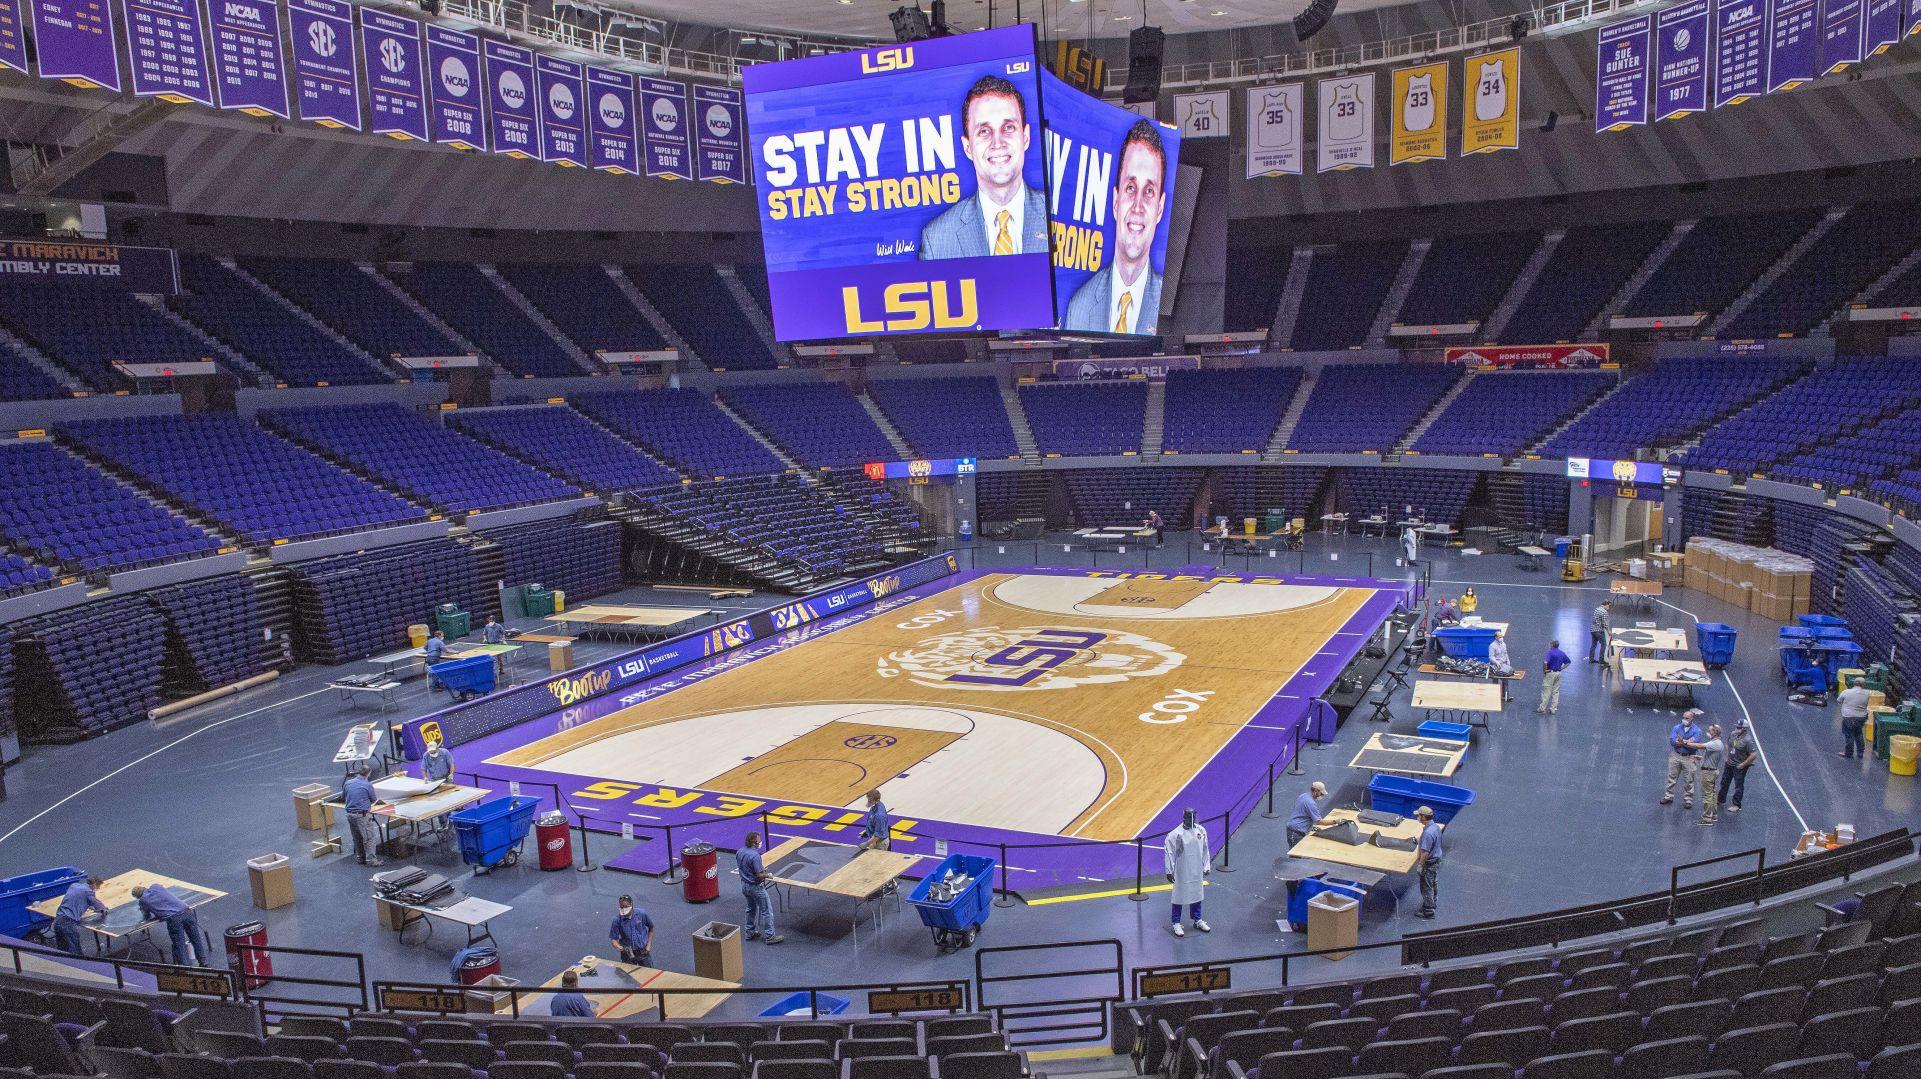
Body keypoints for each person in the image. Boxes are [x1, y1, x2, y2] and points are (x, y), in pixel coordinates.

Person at [919, 76, 1047, 260]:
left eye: (1008, 127)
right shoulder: (936, 240)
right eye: (984, 131)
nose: (998, 142)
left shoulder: (1059, 216)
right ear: (967, 147)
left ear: (1025, 137)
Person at [1064, 121, 1168, 335]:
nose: (1138, 207)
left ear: (1160, 208)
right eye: (1130, 187)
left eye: (1149, 191)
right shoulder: (1080, 306)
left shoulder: (1170, 306)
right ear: (1115, 201)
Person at [133, 882, 207, 967]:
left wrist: (143, 918)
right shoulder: (156, 886)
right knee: (195, 938)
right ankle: (203, 961)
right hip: (187, 911)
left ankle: (184, 966)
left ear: (138, 897)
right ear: (144, 887)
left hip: (174, 919)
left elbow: (147, 915)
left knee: (179, 944)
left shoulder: (143, 900)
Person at [1163, 808, 1210, 937]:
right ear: (1185, 818)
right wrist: (1169, 870)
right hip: (1182, 870)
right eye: (1190, 817)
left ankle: (1197, 920)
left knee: (1197, 893)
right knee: (1179, 895)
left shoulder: (1201, 830)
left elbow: (1205, 849)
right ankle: (1176, 923)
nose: (1193, 819)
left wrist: (1206, 866)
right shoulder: (1176, 834)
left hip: (1196, 870)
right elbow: (1169, 851)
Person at [737, 831, 781, 944]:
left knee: (750, 909)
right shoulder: (755, 856)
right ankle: (770, 936)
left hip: (744, 886)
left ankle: (749, 932)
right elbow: (759, 875)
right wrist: (768, 875)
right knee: (767, 911)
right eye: (759, 840)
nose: (760, 842)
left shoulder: (740, 851)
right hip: (756, 887)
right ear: (755, 842)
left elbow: (743, 867)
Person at [1661, 709, 1707, 809]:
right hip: (1676, 756)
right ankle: (1669, 796)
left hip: (1689, 757)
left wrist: (1682, 742)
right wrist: (1686, 742)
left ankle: (1688, 799)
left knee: (1689, 780)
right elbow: (1672, 741)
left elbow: (1693, 746)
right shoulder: (1676, 727)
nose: (1684, 720)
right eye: (1683, 718)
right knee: (1671, 777)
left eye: (1687, 718)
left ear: (1692, 719)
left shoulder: (1697, 731)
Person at [52, 876, 106, 957]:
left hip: (58, 920)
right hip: (68, 922)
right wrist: (104, 909)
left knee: (62, 949)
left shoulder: (74, 886)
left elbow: (76, 899)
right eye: (97, 888)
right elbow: (97, 904)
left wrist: (86, 905)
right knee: (75, 950)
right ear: (94, 885)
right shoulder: (88, 892)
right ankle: (79, 967)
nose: (96, 890)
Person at [344, 764, 383, 866]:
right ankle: (372, 861)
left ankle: (360, 858)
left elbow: (344, 796)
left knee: (357, 837)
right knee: (369, 838)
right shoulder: (367, 785)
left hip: (349, 815)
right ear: (368, 774)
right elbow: (374, 799)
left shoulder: (348, 783)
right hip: (361, 815)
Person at [1720, 718, 1757, 812]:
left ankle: (1736, 805)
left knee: (1738, 785)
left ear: (1744, 729)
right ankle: (1721, 799)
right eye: (1737, 726)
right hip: (1729, 763)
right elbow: (1728, 744)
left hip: (1739, 766)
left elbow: (1754, 754)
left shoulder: (1748, 740)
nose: (1737, 728)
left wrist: (1743, 764)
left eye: (1739, 727)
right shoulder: (1733, 734)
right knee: (1724, 782)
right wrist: (1727, 755)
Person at [1414, 806, 1444, 919]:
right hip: (1436, 861)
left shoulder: (1428, 833)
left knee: (1426, 887)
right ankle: (1433, 902)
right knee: (1433, 883)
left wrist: (1421, 865)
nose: (1417, 817)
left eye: (1419, 815)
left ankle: (1428, 911)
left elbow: (1425, 852)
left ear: (1423, 817)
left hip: (1429, 863)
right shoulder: (1435, 827)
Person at [608, 895, 653, 965]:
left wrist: (649, 944)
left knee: (649, 974)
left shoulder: (641, 914)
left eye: (626, 907)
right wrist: (617, 946)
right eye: (621, 907)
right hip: (627, 954)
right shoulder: (617, 920)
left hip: (643, 952)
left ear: (631, 905)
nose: (623, 909)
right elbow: (613, 939)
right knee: (628, 975)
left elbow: (651, 928)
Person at [1285, 782, 1329, 849]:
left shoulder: (1303, 795)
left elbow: (1302, 813)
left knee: (1297, 854)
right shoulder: (1310, 803)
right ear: (1316, 790)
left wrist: (1311, 827)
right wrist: (1336, 821)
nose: (1321, 795)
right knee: (1295, 857)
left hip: (1294, 829)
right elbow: (1319, 822)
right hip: (1296, 833)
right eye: (1321, 793)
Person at [1697, 723, 1726, 826]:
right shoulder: (1718, 743)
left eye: (1710, 731)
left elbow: (1700, 746)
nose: (1708, 732)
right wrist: (1700, 758)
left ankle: (1707, 818)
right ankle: (1713, 815)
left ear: (1715, 732)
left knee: (1707, 795)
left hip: (1708, 772)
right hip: (1712, 770)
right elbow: (1711, 757)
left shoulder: (1715, 744)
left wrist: (1685, 743)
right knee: (1712, 794)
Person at [1838, 676, 1873, 759]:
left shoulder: (1846, 692)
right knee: (1859, 733)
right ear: (1863, 685)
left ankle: (1849, 753)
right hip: (1861, 717)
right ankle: (1860, 752)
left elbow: (1839, 700)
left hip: (1849, 717)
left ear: (1854, 683)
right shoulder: (1867, 693)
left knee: (1849, 734)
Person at [1537, 639, 1570, 716]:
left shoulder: (1550, 653)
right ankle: (1553, 709)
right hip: (1558, 673)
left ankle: (1542, 708)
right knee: (1555, 691)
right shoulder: (1562, 653)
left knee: (1546, 690)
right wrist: (1561, 668)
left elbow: (1545, 662)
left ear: (1552, 645)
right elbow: (1568, 662)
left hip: (1550, 673)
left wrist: (1545, 670)